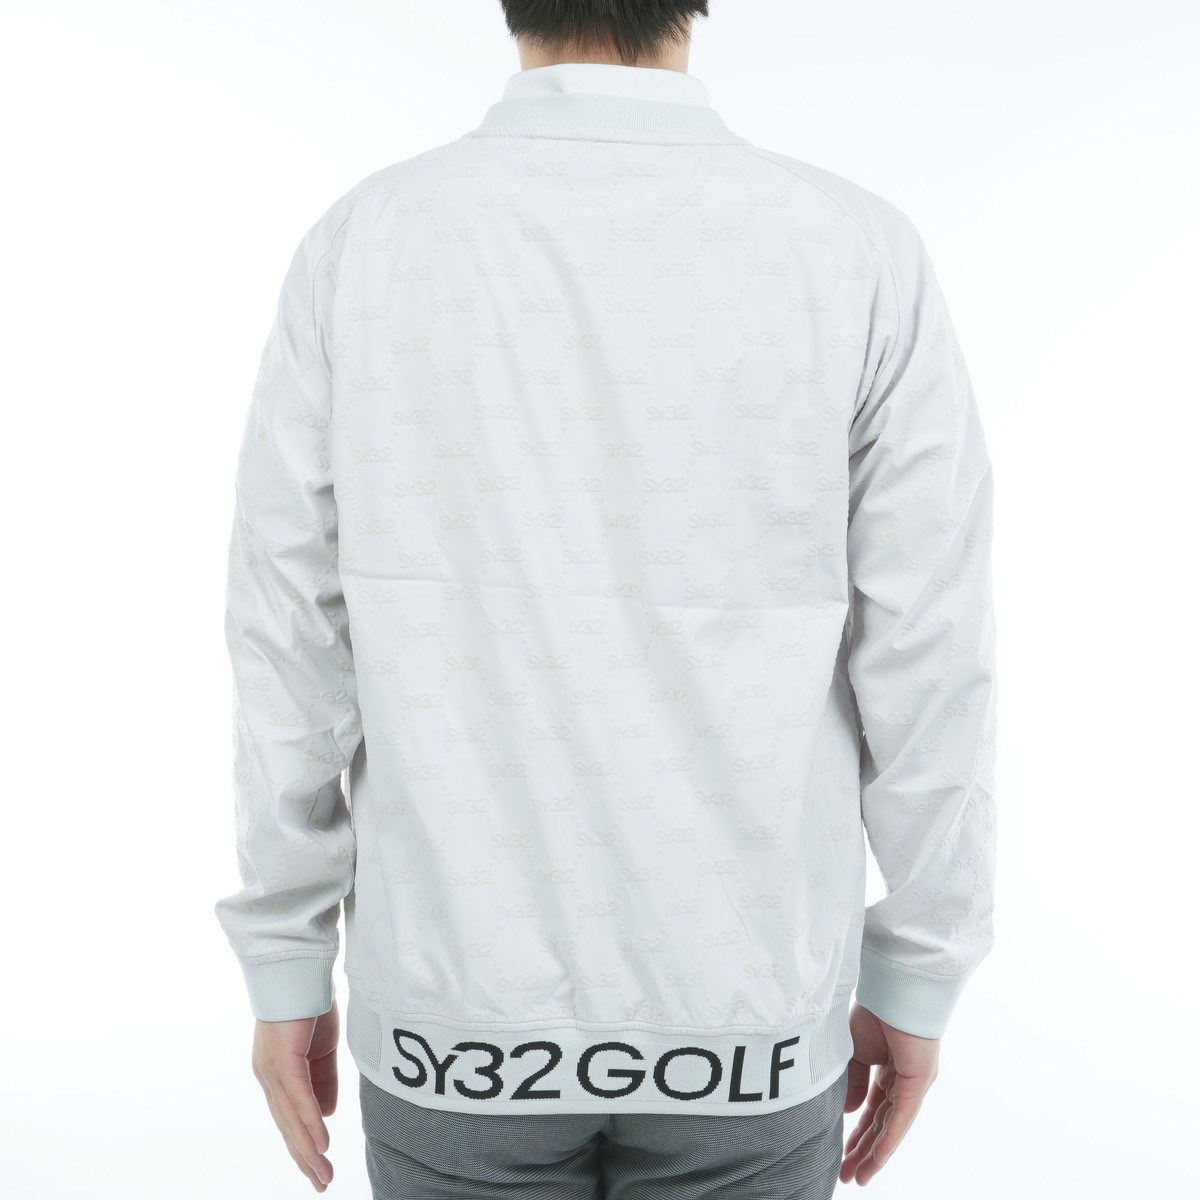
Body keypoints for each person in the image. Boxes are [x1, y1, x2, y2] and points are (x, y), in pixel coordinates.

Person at [213, 3, 999, 1197]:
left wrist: (285, 955)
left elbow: (288, 634)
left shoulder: (369, 244)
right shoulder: (853, 251)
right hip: (749, 1017)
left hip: (453, 1018)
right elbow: (929, 646)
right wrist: (920, 969)